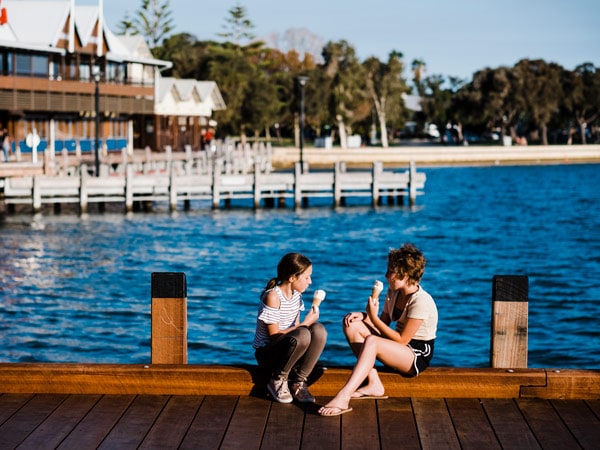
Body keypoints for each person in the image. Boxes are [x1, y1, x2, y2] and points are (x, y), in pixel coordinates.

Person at [318, 243, 437, 416]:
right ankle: (374, 383)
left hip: (416, 354)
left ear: (405, 275)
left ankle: (344, 396)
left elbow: (403, 339)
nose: (386, 275)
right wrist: (364, 316)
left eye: (391, 271)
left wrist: (371, 317)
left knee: (372, 341)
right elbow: (383, 323)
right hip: (397, 347)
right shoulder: (393, 292)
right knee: (351, 323)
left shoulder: (421, 301)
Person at [253, 252, 327, 404]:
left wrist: (306, 324)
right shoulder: (273, 297)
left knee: (319, 330)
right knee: (304, 332)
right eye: (306, 277)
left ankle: (298, 382)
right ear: (292, 278)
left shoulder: (296, 295)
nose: (310, 282)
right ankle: (277, 380)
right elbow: (274, 336)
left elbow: (297, 329)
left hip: (288, 349)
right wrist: (305, 323)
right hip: (267, 354)